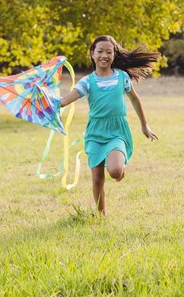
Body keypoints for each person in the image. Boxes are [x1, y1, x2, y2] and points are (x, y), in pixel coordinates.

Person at [61, 35, 159, 215]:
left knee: (114, 172)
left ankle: (120, 169)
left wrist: (144, 125)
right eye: (100, 51)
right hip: (95, 132)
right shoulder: (87, 82)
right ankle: (101, 214)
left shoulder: (122, 77)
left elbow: (136, 100)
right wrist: (47, 101)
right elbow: (65, 100)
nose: (104, 56)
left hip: (117, 131)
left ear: (114, 55)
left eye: (109, 52)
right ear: (92, 54)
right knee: (97, 178)